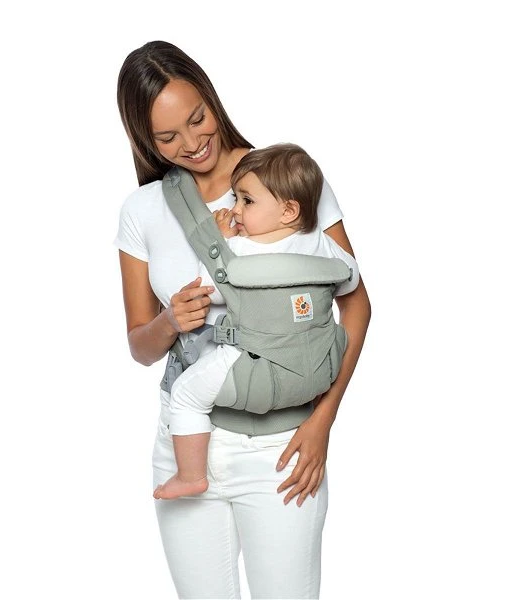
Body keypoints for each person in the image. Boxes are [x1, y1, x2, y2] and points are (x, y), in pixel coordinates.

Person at [115, 41, 371, 600]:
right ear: (144, 140)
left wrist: (323, 421)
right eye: (167, 137)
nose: (192, 143)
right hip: (185, 440)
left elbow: (355, 302)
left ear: (211, 98)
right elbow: (140, 345)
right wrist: (169, 321)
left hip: (281, 443)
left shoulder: (285, 178)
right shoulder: (142, 210)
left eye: (197, 118)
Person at [153, 143, 360, 501]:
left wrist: (224, 240)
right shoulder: (322, 244)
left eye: (246, 201)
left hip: (253, 371)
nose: (235, 209)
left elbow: (210, 291)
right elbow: (350, 278)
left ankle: (190, 475)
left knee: (185, 394)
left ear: (289, 210)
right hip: (317, 372)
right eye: (236, 198)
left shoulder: (241, 250)